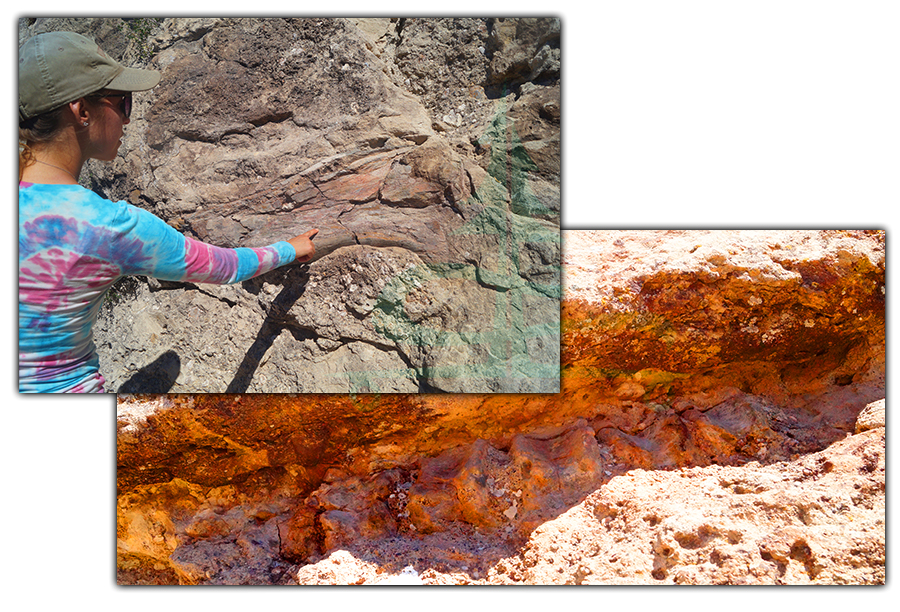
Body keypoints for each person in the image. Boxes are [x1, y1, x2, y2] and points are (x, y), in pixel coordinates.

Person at [18, 31, 319, 393]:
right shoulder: (109, 227)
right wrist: (290, 248)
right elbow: (225, 267)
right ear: (81, 111)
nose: (127, 120)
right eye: (122, 103)